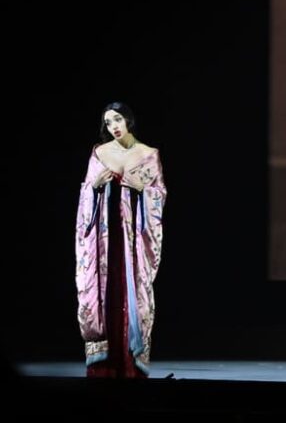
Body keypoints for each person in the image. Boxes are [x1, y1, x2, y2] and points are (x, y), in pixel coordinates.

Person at [75, 102, 166, 377]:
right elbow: (84, 198)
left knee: (133, 295)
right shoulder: (99, 154)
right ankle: (105, 366)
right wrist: (94, 187)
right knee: (104, 294)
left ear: (128, 120)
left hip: (133, 242)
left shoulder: (148, 155)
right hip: (104, 240)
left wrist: (145, 191)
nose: (113, 126)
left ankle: (130, 364)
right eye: (108, 122)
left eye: (117, 120)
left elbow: (158, 194)